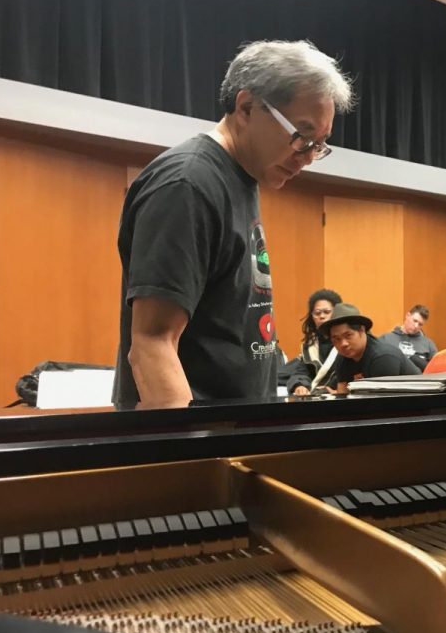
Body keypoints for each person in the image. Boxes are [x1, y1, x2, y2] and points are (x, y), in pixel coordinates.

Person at [113, 40, 354, 409]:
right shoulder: (188, 184)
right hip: (199, 446)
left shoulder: (242, 178)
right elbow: (151, 345)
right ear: (246, 106)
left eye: (319, 145)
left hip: (234, 434)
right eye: (302, 137)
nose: (307, 158)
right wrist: (199, 461)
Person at [321, 304, 420, 393]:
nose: (343, 344)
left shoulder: (383, 357)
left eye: (348, 335)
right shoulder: (342, 358)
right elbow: (342, 395)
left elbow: (381, 404)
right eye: (336, 339)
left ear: (362, 330)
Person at [287, 288, 342, 396]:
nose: (321, 316)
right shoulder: (310, 345)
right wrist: (300, 385)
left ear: (337, 313)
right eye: (317, 313)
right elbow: (301, 372)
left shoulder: (346, 343)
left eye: (327, 312)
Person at [378, 305, 438, 371]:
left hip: (418, 379)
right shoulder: (386, 339)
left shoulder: (428, 344)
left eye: (420, 324)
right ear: (407, 315)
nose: (416, 326)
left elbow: (436, 370)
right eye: (415, 321)